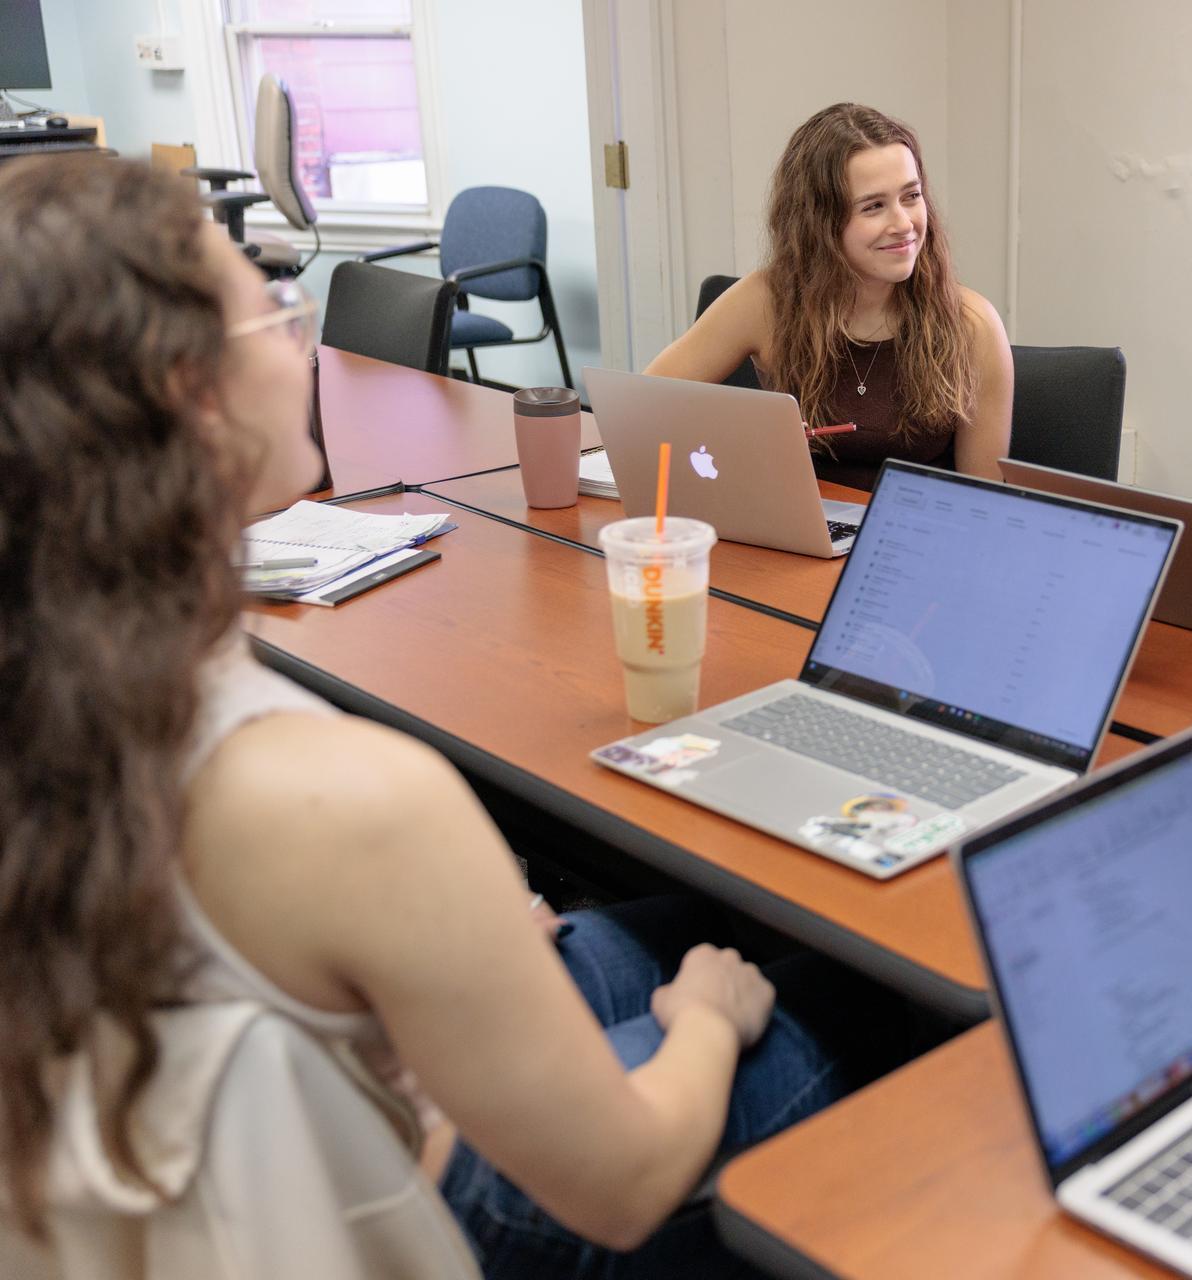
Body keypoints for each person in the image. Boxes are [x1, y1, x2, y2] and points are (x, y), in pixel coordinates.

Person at [0, 156, 899, 1278]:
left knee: (685, 924)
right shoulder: (355, 800)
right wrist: (708, 1018)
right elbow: (621, 1182)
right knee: (865, 992)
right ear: (196, 393)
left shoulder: (65, 698)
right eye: (278, 310)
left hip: (185, 1201)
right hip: (440, 1220)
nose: (301, 342)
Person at [645, 102, 1014, 490]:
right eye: (873, 206)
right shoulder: (765, 301)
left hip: (909, 538)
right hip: (793, 533)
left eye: (911, 196)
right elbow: (641, 404)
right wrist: (744, 439)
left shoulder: (973, 323)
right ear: (819, 224)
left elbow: (984, 501)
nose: (904, 224)